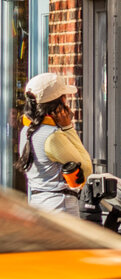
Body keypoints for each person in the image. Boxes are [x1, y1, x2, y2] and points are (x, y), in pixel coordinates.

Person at [19, 75, 92, 214]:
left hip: (38, 205)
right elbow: (86, 169)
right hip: (60, 208)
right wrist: (68, 128)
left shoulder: (26, 131)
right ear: (60, 102)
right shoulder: (53, 136)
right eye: (65, 97)